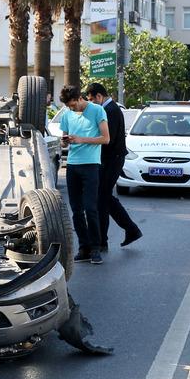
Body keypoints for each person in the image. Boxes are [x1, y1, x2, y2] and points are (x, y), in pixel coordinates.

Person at [85, 83, 143, 252]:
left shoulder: (109, 110)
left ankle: (104, 240)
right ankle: (129, 230)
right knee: (104, 198)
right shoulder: (110, 108)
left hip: (112, 160)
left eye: (91, 100)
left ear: (98, 96)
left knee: (102, 198)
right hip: (110, 160)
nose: (91, 103)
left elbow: (106, 140)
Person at [59, 85, 110, 265]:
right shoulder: (66, 114)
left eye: (73, 105)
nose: (72, 109)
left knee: (90, 208)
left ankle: (96, 248)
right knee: (76, 210)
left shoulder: (97, 110)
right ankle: (84, 247)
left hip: (91, 165)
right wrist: (64, 141)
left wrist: (81, 139)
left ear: (80, 98)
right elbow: (64, 144)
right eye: (69, 107)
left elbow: (106, 139)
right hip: (72, 166)